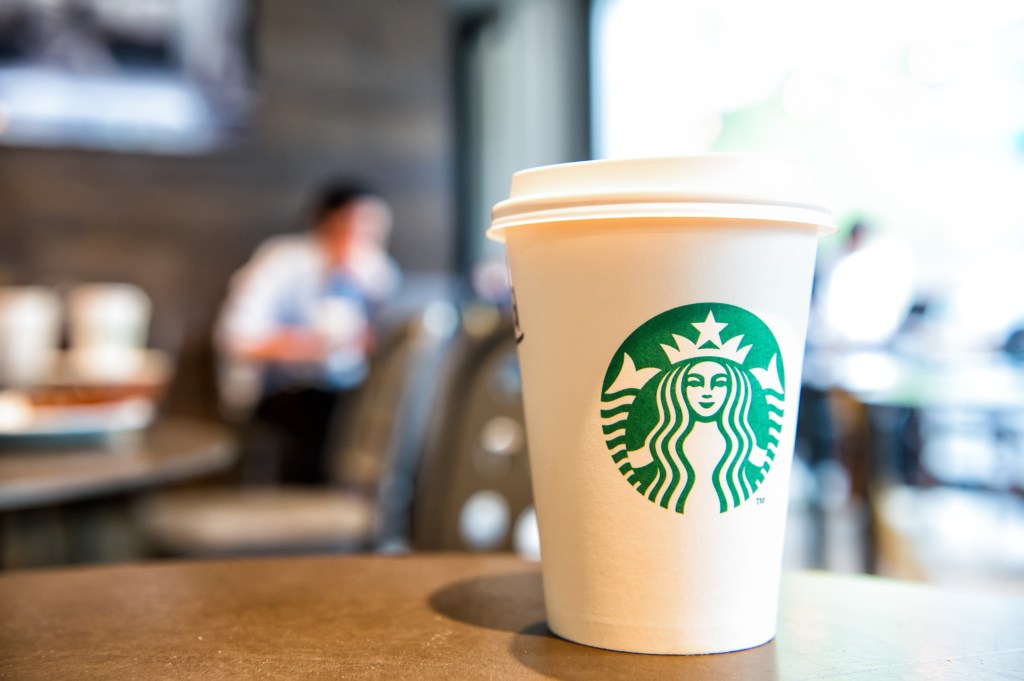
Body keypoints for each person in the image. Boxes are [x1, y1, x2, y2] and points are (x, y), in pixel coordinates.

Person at [216, 181, 400, 485]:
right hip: (278, 390)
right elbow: (236, 338)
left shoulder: (377, 274)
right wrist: (309, 347)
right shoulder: (281, 261)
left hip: (345, 389)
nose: (367, 243)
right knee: (327, 414)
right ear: (326, 223)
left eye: (376, 234)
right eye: (359, 230)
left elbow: (375, 342)